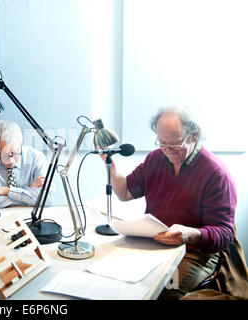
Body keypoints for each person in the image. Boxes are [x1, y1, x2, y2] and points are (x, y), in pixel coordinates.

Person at [100, 106, 237, 299]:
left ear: (194, 135)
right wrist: (110, 163)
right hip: (155, 243)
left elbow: (224, 234)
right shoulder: (156, 158)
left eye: (175, 143)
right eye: (162, 142)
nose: (167, 150)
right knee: (117, 280)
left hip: (193, 253)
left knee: (162, 292)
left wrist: (190, 234)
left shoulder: (215, 173)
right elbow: (125, 192)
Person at [0, 120, 54, 208]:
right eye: (3, 156)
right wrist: (27, 193)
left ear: (21, 142)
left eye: (14, 154)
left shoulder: (37, 157)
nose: (11, 161)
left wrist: (3, 191)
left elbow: (47, 199)